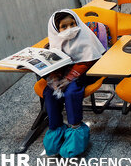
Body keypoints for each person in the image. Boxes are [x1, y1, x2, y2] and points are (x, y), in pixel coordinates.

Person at [43, 10, 105, 157]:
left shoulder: (85, 36)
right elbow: (56, 61)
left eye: (72, 24)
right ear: (56, 29)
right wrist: (54, 78)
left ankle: (76, 131)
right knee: (49, 92)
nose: (70, 28)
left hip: (86, 71)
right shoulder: (55, 41)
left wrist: (69, 78)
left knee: (71, 92)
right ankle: (56, 128)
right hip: (66, 73)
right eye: (64, 27)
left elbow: (88, 60)